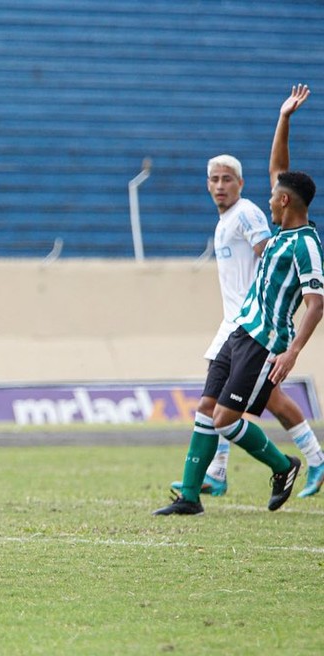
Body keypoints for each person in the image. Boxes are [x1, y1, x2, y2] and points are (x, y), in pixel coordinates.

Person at [155, 84, 324, 516]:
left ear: (284, 202)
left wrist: (293, 350)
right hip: (239, 328)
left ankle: (285, 464)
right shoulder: (285, 225)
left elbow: (317, 302)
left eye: (272, 195)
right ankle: (191, 497)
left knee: (229, 420)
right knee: (207, 407)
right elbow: (279, 166)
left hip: (264, 338)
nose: (267, 198)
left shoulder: (305, 244)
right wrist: (284, 118)